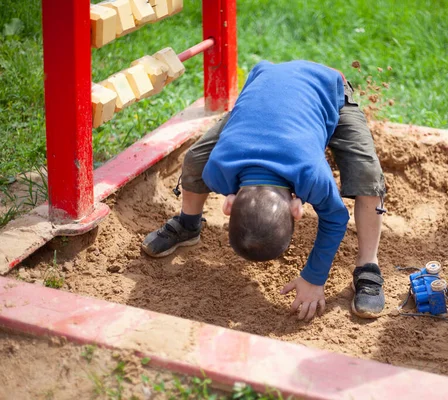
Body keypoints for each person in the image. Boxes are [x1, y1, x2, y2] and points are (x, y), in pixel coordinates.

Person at [142, 60, 386, 321]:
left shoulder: (311, 173)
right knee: (195, 158)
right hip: (263, 88)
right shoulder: (216, 167)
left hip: (328, 89)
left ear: (298, 208)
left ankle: (367, 264)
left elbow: (335, 217)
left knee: (368, 176)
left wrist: (314, 277)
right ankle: (188, 224)